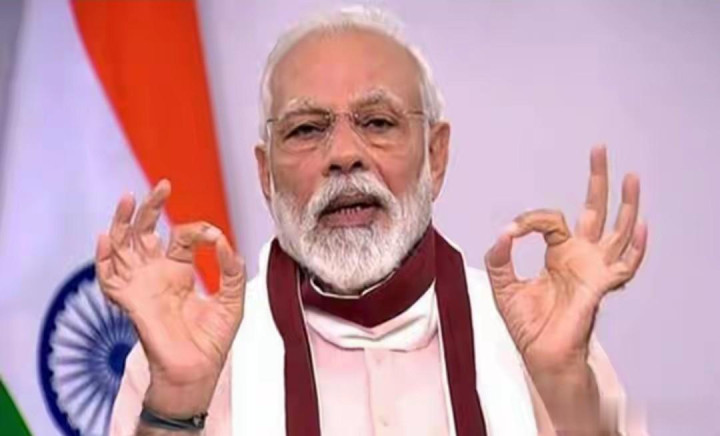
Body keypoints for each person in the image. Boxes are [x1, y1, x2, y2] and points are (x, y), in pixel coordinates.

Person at [101, 6, 647, 436]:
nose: (344, 154)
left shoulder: (538, 336)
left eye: (378, 122)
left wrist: (565, 383)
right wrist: (178, 402)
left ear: (435, 155)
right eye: (306, 129)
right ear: (266, 173)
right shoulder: (188, 353)